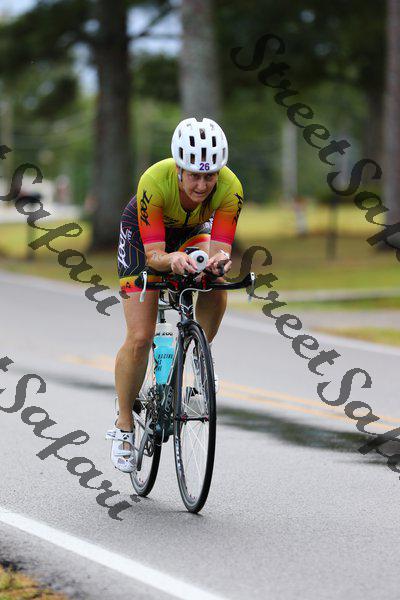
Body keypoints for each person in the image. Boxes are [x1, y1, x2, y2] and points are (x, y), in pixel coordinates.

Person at [107, 117, 244, 472]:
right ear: (179, 168)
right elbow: (154, 256)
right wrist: (172, 260)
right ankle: (123, 424)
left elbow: (221, 249)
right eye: (194, 175)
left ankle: (199, 359)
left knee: (214, 280)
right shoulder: (155, 181)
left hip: (192, 232)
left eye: (210, 176)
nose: (202, 185)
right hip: (143, 241)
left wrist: (216, 264)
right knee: (140, 336)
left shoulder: (231, 188)